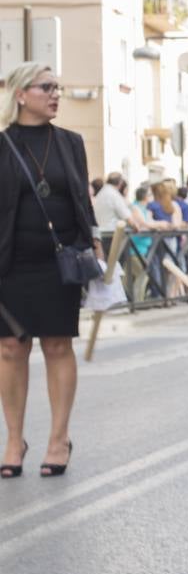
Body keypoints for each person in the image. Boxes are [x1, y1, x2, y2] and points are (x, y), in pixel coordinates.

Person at [0, 62, 100, 477]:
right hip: (11, 263)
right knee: (10, 348)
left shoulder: (70, 143)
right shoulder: (2, 145)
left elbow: (81, 199)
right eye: (46, 87)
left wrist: (93, 244)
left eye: (58, 87)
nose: (55, 93)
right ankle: (13, 440)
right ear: (21, 94)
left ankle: (59, 440)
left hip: (60, 262)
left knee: (58, 345)